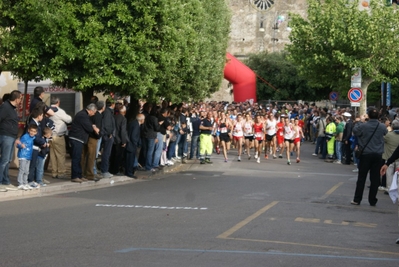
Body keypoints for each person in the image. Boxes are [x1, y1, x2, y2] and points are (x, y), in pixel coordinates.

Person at [351, 108, 387, 206]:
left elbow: (355, 131)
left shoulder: (363, 126)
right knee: (375, 179)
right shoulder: (382, 126)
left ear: (369, 116)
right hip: (378, 154)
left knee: (361, 177)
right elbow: (385, 133)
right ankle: (372, 200)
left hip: (365, 154)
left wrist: (360, 121)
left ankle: (357, 199)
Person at [68, 104, 100, 183]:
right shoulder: (83, 115)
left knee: (79, 158)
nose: (94, 113)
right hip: (77, 138)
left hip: (79, 139)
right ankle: (75, 176)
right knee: (76, 158)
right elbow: (89, 128)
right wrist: (94, 127)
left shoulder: (83, 115)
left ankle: (79, 175)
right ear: (91, 110)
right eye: (94, 112)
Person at [0, 90, 23, 192]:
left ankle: (5, 180)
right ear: (16, 98)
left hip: (11, 136)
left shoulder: (12, 108)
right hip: (6, 136)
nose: (21, 100)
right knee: (4, 160)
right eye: (20, 98)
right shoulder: (5, 107)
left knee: (8, 160)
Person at [49, 97, 72, 179]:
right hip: (58, 135)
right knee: (61, 154)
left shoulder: (48, 110)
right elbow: (69, 120)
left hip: (50, 135)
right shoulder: (59, 111)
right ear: (58, 102)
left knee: (53, 155)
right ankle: (61, 172)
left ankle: (54, 172)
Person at [82, 100, 104, 181]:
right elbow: (97, 128)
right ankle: (89, 174)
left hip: (85, 136)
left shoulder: (87, 115)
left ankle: (82, 173)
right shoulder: (97, 116)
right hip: (93, 137)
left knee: (83, 155)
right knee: (91, 156)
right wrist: (98, 135)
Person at [16, 124, 38, 190]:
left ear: (36, 132)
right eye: (31, 131)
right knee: (22, 170)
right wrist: (21, 145)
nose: (32, 133)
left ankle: (25, 183)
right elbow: (18, 144)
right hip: (23, 155)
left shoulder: (32, 138)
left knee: (26, 171)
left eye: (34, 131)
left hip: (28, 156)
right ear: (28, 130)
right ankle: (20, 183)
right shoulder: (25, 137)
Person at [109, 103, 128, 175]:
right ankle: (115, 170)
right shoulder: (123, 119)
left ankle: (111, 169)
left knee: (113, 155)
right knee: (118, 156)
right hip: (119, 139)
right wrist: (124, 141)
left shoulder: (114, 117)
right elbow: (122, 131)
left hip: (113, 138)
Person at [125, 114, 145, 178]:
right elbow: (134, 136)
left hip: (129, 144)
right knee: (130, 159)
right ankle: (129, 172)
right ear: (141, 120)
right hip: (132, 145)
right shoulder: (136, 125)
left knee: (129, 159)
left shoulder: (133, 123)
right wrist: (136, 143)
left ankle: (128, 171)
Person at [100, 98, 116, 178]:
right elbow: (107, 124)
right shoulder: (107, 112)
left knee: (106, 153)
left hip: (106, 134)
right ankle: (104, 170)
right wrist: (109, 133)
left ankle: (105, 170)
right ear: (112, 104)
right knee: (106, 153)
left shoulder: (107, 112)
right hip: (107, 135)